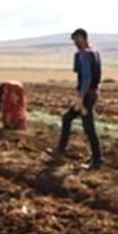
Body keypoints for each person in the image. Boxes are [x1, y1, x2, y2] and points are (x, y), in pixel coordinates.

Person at [48, 28, 103, 169]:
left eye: (76, 40)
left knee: (89, 127)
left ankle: (97, 161)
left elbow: (86, 77)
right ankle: (61, 150)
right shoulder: (94, 52)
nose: (75, 43)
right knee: (67, 118)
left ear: (83, 38)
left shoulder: (84, 55)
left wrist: (81, 98)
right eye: (74, 41)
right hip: (92, 93)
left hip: (86, 95)